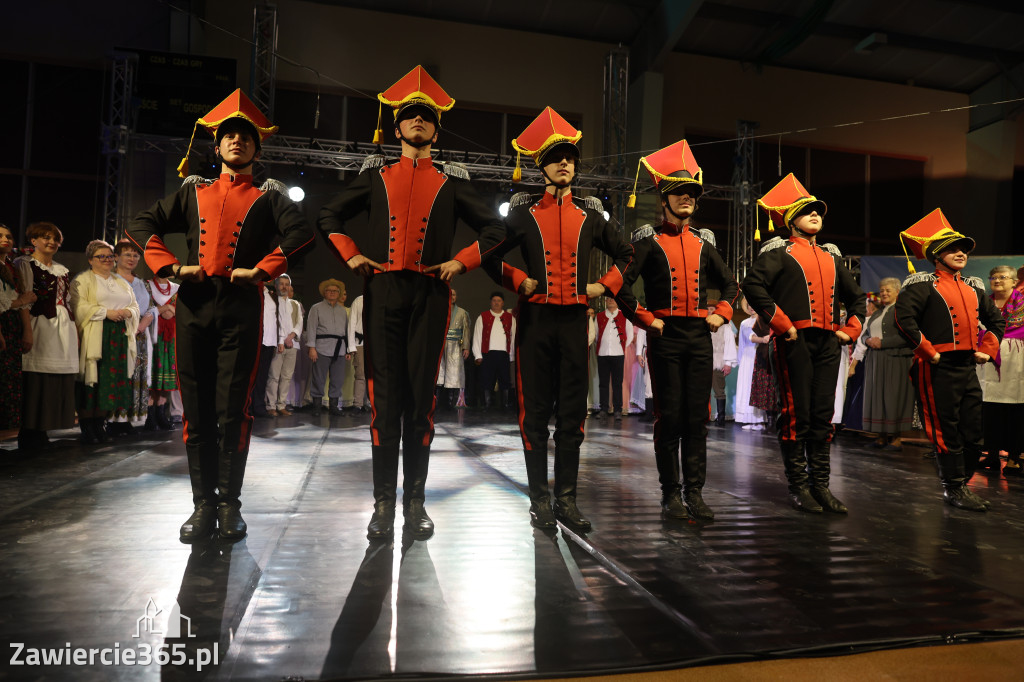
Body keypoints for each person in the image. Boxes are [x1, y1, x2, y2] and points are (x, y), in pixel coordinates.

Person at [318, 66, 505, 540]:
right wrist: (352, 253)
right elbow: (329, 216)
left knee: (421, 403)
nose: (418, 122)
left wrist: (461, 262)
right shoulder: (376, 177)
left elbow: (496, 230)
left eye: (426, 117)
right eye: (410, 116)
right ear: (397, 127)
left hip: (429, 294)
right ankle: (383, 502)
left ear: (435, 131)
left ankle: (415, 501)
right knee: (384, 403)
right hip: (383, 291)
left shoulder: (451, 182)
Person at [127, 89, 313, 541]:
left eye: (245, 137)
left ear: (257, 148)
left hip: (241, 307)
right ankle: (201, 505)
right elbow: (140, 225)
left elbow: (302, 234)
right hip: (193, 304)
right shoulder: (194, 191)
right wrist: (171, 267)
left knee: (233, 411)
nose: (236, 142)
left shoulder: (269, 197)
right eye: (229, 136)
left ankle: (229, 504)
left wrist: (264, 270)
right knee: (196, 410)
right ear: (218, 146)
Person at [483, 106, 633, 530]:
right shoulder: (523, 212)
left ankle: (566, 498)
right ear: (541, 167)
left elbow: (627, 254)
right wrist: (517, 279)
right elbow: (488, 255)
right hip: (534, 323)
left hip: (573, 325)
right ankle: (539, 500)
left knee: (572, 414)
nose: (565, 162)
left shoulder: (590, 214)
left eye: (570, 157)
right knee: (534, 415)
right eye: (556, 157)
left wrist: (604, 286)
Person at [618, 139, 739, 520]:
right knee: (669, 415)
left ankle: (695, 493)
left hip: (699, 337)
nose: (686, 198)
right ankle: (671, 492)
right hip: (666, 337)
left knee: (696, 418)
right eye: (678, 192)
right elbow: (620, 286)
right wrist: (646, 318)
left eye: (691, 193)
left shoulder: (704, 243)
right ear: (663, 198)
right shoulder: (649, 241)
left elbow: (731, 284)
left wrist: (721, 312)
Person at [741, 173, 865, 514]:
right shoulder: (779, 252)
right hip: (794, 341)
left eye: (818, 211)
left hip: (828, 343)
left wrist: (850, 331)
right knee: (798, 414)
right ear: (790, 219)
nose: (815, 215)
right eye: (807, 210)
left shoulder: (832, 257)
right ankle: (799, 487)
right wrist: (782, 324)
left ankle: (821, 485)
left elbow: (857, 300)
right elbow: (753, 286)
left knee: (823, 415)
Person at [893, 209, 1004, 511]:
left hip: (967, 365)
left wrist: (988, 349)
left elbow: (996, 322)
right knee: (946, 429)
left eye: (963, 249)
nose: (960, 253)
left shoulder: (974, 287)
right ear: (935, 254)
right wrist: (930, 352)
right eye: (952, 249)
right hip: (936, 366)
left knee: (973, 431)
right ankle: (953, 487)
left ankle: (959, 482)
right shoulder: (920, 283)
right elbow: (904, 321)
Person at [16, 222, 78, 451]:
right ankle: (29, 432)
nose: (51, 242)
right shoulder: (24, 264)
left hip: (63, 328)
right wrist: (28, 330)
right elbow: (26, 298)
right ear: (33, 241)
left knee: (54, 379)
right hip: (40, 323)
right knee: (35, 378)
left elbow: (69, 301)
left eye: (55, 239)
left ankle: (42, 429)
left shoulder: (62, 269)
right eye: (45, 237)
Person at [70, 240, 140, 444]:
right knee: (92, 381)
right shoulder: (83, 280)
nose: (107, 260)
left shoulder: (120, 281)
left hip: (118, 337)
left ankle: (100, 424)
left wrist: (129, 312)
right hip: (95, 334)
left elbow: (134, 305)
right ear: (91, 260)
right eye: (102, 256)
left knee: (109, 381)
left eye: (110, 256)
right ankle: (87, 426)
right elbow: (79, 307)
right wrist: (106, 312)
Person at [978, 266, 1024, 475]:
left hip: (1016, 360)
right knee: (989, 407)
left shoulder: (1023, 304)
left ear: (1014, 282)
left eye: (1002, 277)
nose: (997, 281)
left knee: (1014, 408)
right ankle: (992, 454)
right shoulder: (984, 303)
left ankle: (1014, 456)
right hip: (987, 359)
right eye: (993, 277)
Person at [862, 277, 915, 448]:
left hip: (895, 358)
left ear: (897, 292)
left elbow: (907, 336)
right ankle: (881, 436)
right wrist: (868, 340)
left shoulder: (902, 311)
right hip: (876, 359)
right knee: (877, 396)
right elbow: (865, 333)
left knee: (894, 396)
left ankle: (896, 438)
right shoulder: (877, 313)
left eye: (888, 290)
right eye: (882, 290)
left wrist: (882, 343)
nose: (884, 293)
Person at [112, 239, 156, 435]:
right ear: (117, 257)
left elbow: (152, 307)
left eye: (135, 255)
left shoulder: (141, 283)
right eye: (127, 254)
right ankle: (113, 419)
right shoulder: (110, 280)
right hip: (119, 333)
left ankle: (129, 419)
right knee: (120, 374)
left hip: (139, 336)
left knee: (136, 376)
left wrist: (145, 321)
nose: (131, 258)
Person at [0, 224, 34, 432]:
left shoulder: (11, 267)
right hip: (2, 325)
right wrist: (21, 300)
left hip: (12, 327)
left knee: (8, 381)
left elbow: (21, 301)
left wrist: (27, 331)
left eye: (9, 236)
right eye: (0, 236)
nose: (5, 239)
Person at [306, 279, 350, 417]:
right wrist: (312, 347)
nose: (332, 293)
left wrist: (348, 349)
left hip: (340, 349)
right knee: (318, 378)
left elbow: (347, 331)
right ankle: (317, 407)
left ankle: (334, 407)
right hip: (321, 348)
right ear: (324, 293)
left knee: (337, 379)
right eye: (329, 291)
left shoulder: (343, 311)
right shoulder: (316, 308)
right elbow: (311, 328)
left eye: (335, 291)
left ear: (339, 294)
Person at [473, 291, 516, 411]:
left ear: (503, 303)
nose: (496, 303)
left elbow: (513, 337)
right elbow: (477, 336)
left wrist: (511, 355)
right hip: (488, 353)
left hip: (504, 354)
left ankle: (505, 404)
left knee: (505, 379)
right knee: (487, 379)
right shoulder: (483, 316)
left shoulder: (510, 318)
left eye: (499, 301)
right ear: (490, 302)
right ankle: (487, 404)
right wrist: (478, 354)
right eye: (494, 301)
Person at [266, 275, 302, 416]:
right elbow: (276, 323)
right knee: (274, 376)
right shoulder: (273, 302)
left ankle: (282, 405)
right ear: (276, 286)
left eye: (287, 284)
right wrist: (282, 340)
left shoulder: (295, 304)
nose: (284, 287)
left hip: (292, 344)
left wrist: (291, 336)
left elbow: (299, 322)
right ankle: (271, 406)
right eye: (281, 284)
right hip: (278, 344)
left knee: (287, 376)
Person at [147, 273, 178, 430]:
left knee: (167, 375)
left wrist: (169, 310)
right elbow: (145, 308)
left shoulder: (177, 289)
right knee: (153, 374)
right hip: (153, 335)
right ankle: (149, 414)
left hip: (171, 337)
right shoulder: (147, 286)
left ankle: (161, 413)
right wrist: (165, 308)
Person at [595, 296, 633, 421]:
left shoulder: (625, 316)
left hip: (618, 354)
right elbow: (595, 335)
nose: (610, 301)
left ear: (617, 302)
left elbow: (630, 335)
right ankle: (603, 409)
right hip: (602, 354)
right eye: (608, 299)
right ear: (605, 301)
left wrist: (621, 348)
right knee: (603, 384)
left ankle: (618, 410)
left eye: (612, 299)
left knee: (617, 383)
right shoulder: (599, 316)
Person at [436, 287, 470, 411]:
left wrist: (466, 347)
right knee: (440, 373)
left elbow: (466, 331)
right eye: (450, 294)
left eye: (454, 294)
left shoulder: (462, 312)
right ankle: (438, 401)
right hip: (441, 344)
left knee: (454, 374)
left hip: (455, 345)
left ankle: (450, 402)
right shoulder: (439, 309)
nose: (452, 296)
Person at [734, 296, 765, 429]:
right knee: (747, 386)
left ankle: (758, 420)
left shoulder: (763, 321)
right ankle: (749, 419)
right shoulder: (745, 322)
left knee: (756, 387)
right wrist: (763, 339)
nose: (751, 307)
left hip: (758, 356)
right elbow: (748, 339)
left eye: (753, 304)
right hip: (748, 357)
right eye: (749, 305)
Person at [251, 282, 281, 418]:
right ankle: (248, 407)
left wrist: (278, 340)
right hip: (256, 340)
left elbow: (276, 320)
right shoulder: (253, 295)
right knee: (252, 375)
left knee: (263, 376)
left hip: (270, 341)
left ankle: (258, 406)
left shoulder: (272, 296)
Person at [709, 303, 738, 427]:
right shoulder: (701, 324)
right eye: (708, 309)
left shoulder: (725, 326)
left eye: (712, 309)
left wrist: (728, 363)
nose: (710, 311)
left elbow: (730, 343)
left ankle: (721, 419)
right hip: (703, 361)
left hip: (717, 361)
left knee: (719, 390)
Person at [346, 293, 368, 413]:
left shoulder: (383, 299)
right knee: (361, 374)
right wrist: (351, 346)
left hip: (377, 344)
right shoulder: (359, 300)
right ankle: (358, 404)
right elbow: (352, 323)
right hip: (361, 343)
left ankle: (370, 403)